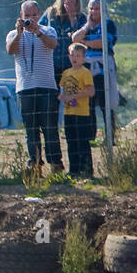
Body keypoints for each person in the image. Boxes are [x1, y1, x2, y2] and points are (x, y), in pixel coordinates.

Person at [6, 0, 63, 174]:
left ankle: (56, 163)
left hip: (46, 85)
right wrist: (19, 32)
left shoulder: (48, 30)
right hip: (25, 87)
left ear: (39, 15)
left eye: (33, 15)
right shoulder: (13, 34)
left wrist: (38, 32)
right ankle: (35, 163)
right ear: (21, 17)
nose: (31, 19)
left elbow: (53, 45)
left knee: (49, 127)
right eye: (27, 16)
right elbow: (11, 50)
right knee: (31, 128)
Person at [72, 0, 118, 136]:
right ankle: (90, 134)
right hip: (87, 70)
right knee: (88, 102)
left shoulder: (108, 24)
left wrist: (85, 43)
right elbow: (75, 40)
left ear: (103, 10)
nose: (94, 12)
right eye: (91, 8)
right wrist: (86, 27)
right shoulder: (85, 25)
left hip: (103, 69)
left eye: (97, 9)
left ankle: (110, 135)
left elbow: (103, 43)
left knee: (106, 102)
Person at [59, 43, 95, 178]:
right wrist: (63, 98)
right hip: (68, 112)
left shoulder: (85, 73)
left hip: (81, 113)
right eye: (73, 55)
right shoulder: (66, 73)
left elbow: (91, 91)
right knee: (71, 141)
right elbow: (62, 92)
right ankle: (74, 169)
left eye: (78, 56)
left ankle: (86, 169)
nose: (75, 58)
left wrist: (74, 96)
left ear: (83, 58)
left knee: (83, 142)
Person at [40, 0, 87, 86]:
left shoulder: (81, 17)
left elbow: (80, 37)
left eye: (74, 0)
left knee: (72, 96)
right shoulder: (51, 13)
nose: (70, 2)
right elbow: (38, 28)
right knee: (54, 95)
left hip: (72, 63)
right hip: (52, 63)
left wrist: (72, 17)